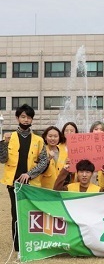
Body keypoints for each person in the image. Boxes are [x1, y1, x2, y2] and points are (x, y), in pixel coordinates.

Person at [0, 104, 49, 253]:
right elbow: (2, 159)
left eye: (28, 117)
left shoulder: (39, 139)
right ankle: (18, 246)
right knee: (16, 213)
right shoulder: (9, 137)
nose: (26, 120)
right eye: (23, 116)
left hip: (32, 184)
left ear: (32, 119)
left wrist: (29, 174)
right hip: (13, 183)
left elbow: (43, 161)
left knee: (32, 213)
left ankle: (32, 241)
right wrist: (2, 143)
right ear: (17, 118)